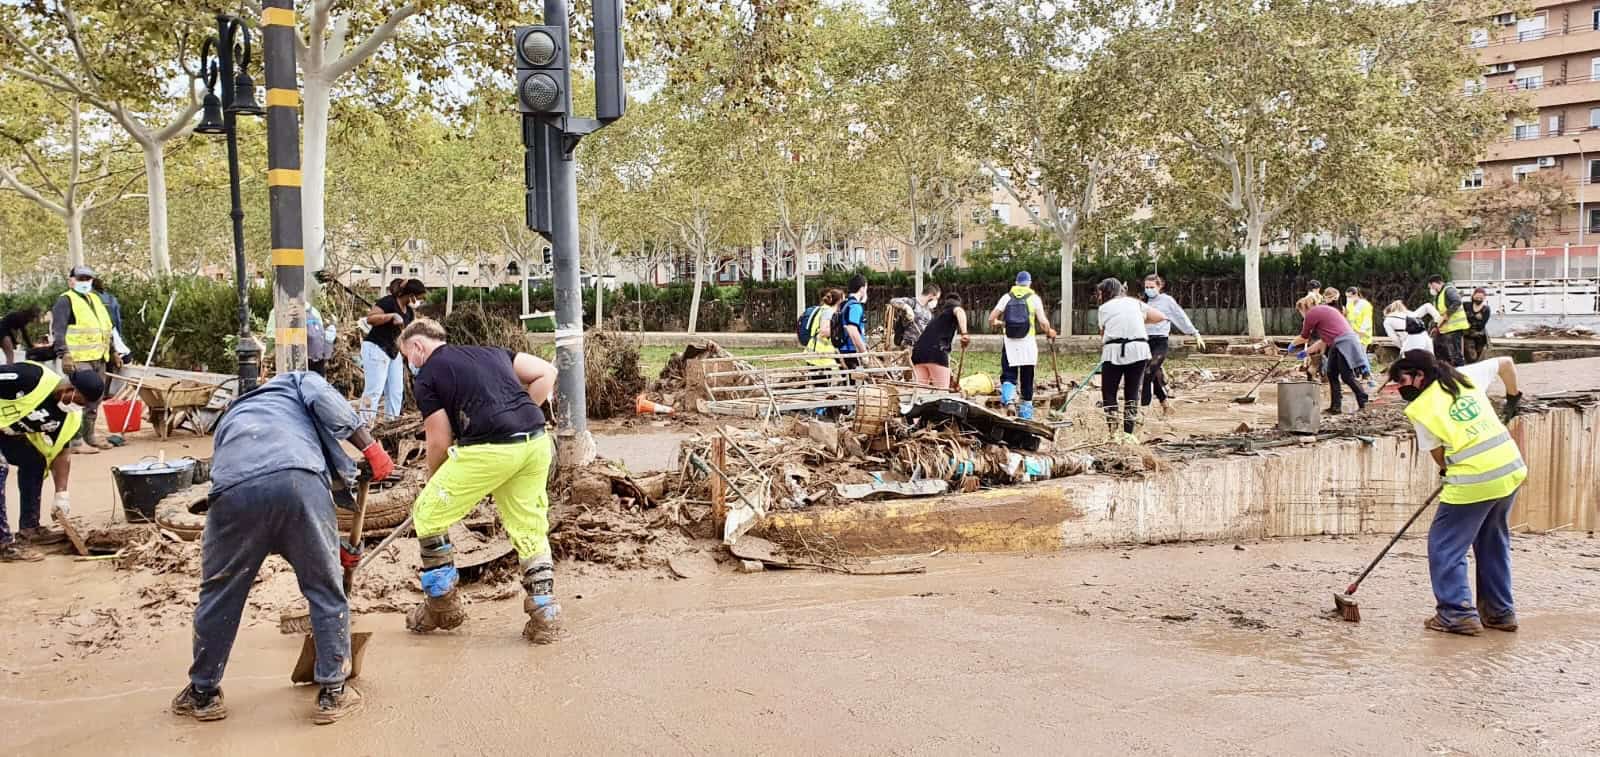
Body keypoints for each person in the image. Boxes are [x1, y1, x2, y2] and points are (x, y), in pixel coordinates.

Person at [170, 371, 394, 724]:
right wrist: (369, 446)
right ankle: (333, 692)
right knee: (324, 588)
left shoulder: (231, 419)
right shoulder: (294, 381)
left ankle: (203, 693)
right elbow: (324, 403)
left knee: (219, 592)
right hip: (298, 481)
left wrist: (332, 543)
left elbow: (262, 500)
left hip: (233, 494)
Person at [397, 318, 562, 643]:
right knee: (529, 527)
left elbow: (439, 441)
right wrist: (522, 410)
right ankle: (545, 614)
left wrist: (436, 483)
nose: (409, 364)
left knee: (428, 514)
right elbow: (547, 372)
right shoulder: (492, 353)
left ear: (417, 346)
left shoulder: (428, 375)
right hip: (535, 443)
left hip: (491, 449)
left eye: (407, 357)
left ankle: (442, 606)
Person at [1388, 350, 1525, 636]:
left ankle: (1456, 614)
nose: (1400, 388)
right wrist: (1513, 398)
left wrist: (1448, 469)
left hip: (1474, 479)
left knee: (1445, 546)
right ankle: (1500, 613)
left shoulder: (1421, 408)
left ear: (1419, 376)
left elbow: (1439, 455)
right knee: (1492, 541)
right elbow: (1507, 363)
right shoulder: (1464, 376)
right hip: (1509, 468)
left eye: (1402, 381)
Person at [0, 363, 102, 562]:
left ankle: (30, 528)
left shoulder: (70, 418)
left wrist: (61, 494)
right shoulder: (30, 378)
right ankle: (3, 544)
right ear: (69, 390)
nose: (80, 408)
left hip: (6, 433)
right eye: (80, 402)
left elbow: (61, 451)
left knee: (34, 462)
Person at [49, 265, 115, 454]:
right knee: (79, 396)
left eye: (88, 279)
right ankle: (76, 440)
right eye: (80, 279)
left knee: (95, 397)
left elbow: (106, 328)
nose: (84, 283)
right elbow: (58, 330)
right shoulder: (65, 301)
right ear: (71, 281)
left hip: (98, 356)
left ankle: (90, 435)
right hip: (77, 358)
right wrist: (64, 353)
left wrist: (114, 352)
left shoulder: (95, 299)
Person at [1096, 278, 1165, 443]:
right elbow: (1160, 317)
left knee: (1109, 392)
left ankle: (1112, 433)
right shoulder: (1135, 303)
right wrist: (1140, 319)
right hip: (1139, 351)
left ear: (1105, 293)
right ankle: (1128, 434)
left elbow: (1102, 333)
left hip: (1113, 352)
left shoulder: (1104, 308)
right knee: (1132, 392)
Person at [988, 271, 1057, 420]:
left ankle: (1010, 401)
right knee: (1027, 376)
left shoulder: (1006, 297)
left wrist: (1001, 323)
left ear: (1016, 283)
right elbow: (1043, 323)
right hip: (1028, 344)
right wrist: (1050, 331)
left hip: (1010, 343)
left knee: (1008, 374)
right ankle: (1025, 414)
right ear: (1029, 283)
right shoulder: (1034, 298)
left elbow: (991, 318)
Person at [1290, 294, 1369, 414]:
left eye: (1300, 312)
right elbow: (1323, 341)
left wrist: (1291, 345)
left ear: (1303, 308)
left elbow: (1304, 337)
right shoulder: (1325, 310)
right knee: (1331, 373)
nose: (1301, 315)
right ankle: (1336, 407)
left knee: (1347, 376)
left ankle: (1363, 401)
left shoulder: (1312, 313)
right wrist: (1306, 352)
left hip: (1343, 342)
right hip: (1340, 341)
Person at [361, 278, 426, 421]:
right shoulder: (388, 302)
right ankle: (365, 425)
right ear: (411, 295)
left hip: (393, 351)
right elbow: (370, 319)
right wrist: (391, 316)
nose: (418, 301)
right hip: (376, 348)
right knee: (374, 390)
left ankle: (391, 424)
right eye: (419, 297)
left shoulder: (409, 312)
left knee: (396, 391)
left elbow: (406, 334)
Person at [1140, 274, 1205, 416]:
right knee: (1153, 377)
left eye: (1152, 287)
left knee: (1148, 373)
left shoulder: (1167, 301)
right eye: (1146, 287)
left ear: (1159, 286)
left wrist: (1194, 333)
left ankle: (1143, 410)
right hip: (1144, 343)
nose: (1149, 290)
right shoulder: (1142, 302)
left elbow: (1180, 316)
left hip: (1160, 342)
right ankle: (1166, 406)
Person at [911, 293, 969, 389]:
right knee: (942, 392)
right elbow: (960, 311)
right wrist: (965, 333)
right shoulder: (954, 310)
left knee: (919, 392)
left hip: (918, 354)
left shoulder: (938, 318)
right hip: (936, 352)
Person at [1427, 274, 1468, 367]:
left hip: (1454, 328)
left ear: (1438, 283)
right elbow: (1438, 314)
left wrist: (1447, 315)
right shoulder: (1439, 295)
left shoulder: (1449, 290)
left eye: (1432, 286)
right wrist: (1435, 327)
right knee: (1440, 350)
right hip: (1444, 329)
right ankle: (1446, 371)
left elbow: (1457, 301)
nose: (1431, 289)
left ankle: (1461, 373)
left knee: (1456, 354)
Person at [831, 274, 869, 370]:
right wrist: (864, 352)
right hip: (852, 351)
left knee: (848, 382)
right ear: (861, 289)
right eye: (865, 288)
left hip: (842, 349)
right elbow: (852, 329)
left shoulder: (844, 303)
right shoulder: (855, 306)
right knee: (857, 383)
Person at [804, 289, 842, 370]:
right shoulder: (828, 312)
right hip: (820, 355)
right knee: (821, 381)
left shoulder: (824, 309)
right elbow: (823, 332)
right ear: (839, 301)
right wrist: (840, 331)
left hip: (816, 353)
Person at [1465, 288, 1493, 364]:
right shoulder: (1466, 305)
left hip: (1480, 336)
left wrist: (1471, 321)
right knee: (1470, 355)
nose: (1478, 299)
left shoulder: (1486, 309)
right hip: (1467, 335)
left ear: (1484, 298)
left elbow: (1482, 324)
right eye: (1477, 297)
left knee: (1479, 356)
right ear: (1473, 296)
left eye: (1481, 298)